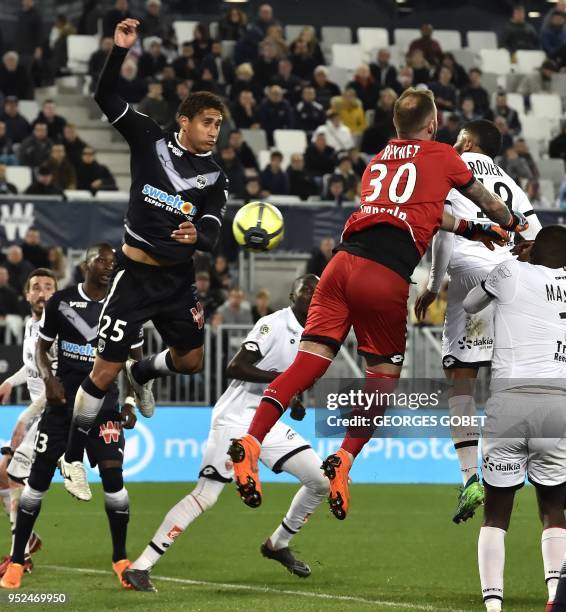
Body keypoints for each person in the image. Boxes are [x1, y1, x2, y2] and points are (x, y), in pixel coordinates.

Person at [227, 87, 528, 520]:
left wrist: (469, 229)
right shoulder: (444, 155)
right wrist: (508, 222)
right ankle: (345, 459)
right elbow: (488, 199)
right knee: (382, 379)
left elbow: (424, 212)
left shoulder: (378, 161)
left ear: (394, 125)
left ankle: (252, 440)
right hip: (384, 273)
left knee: (306, 364)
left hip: (340, 265)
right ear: (433, 123)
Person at [59, 19, 229, 502]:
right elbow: (105, 97)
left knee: (191, 361)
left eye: (218, 124)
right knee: (103, 371)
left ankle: (146, 372)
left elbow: (215, 228)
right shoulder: (148, 137)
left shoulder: (215, 175)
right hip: (133, 278)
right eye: (207, 122)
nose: (214, 132)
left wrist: (200, 234)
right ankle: (73, 459)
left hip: (177, 281)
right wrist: (118, 51)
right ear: (184, 121)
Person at [123, 275, 327, 591]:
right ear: (292, 295)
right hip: (236, 417)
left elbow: (290, 385)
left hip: (267, 420)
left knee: (320, 481)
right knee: (206, 494)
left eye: (319, 291)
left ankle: (277, 543)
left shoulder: (316, 336)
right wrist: (282, 379)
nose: (314, 295)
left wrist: (294, 400)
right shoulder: (275, 324)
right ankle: (140, 567)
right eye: (307, 290)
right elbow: (236, 366)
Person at [414, 120, 541, 523]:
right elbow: (536, 239)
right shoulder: (512, 183)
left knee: (462, 379)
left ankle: (471, 476)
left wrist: (434, 285)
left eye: (458, 136)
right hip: (511, 279)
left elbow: (442, 230)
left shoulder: (452, 164)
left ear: (468, 141)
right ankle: (530, 465)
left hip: (470, 272)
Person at [0, 245, 140, 590]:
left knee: (114, 479)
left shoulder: (126, 306)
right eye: (102, 261)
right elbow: (41, 349)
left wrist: (133, 400)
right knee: (37, 482)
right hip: (62, 407)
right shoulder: (61, 302)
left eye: (113, 263)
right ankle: (17, 560)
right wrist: (48, 380)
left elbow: (134, 360)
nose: (109, 267)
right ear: (85, 266)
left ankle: (121, 559)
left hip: (105, 408)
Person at [461, 227, 566, 612]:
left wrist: (518, 260)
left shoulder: (511, 271)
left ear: (534, 251)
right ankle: (555, 597)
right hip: (559, 404)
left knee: (496, 513)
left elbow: (472, 304)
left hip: (510, 401)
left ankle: (493, 606)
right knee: (554, 507)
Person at [0, 268, 57, 576]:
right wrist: (10, 381)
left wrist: (24, 418)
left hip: (55, 415)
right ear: (27, 295)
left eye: (49, 287)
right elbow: (30, 368)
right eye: (36, 287)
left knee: (15, 476)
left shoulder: (58, 330)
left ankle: (18, 556)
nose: (42, 292)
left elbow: (56, 384)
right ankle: (28, 540)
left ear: (56, 293)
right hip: (38, 414)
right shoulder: (31, 325)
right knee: (3, 477)